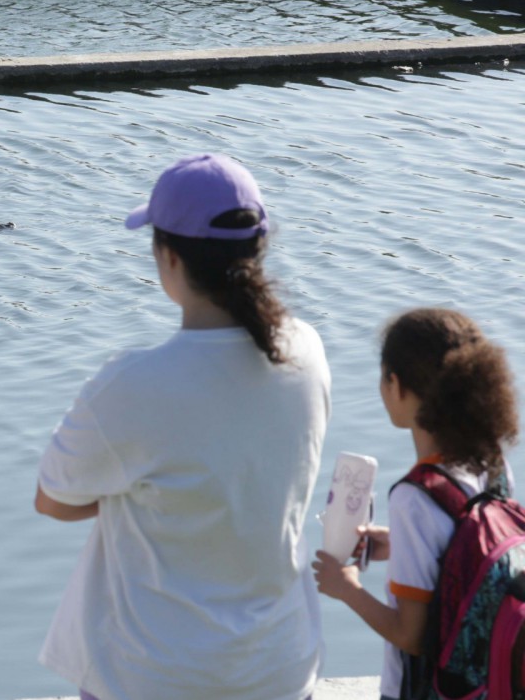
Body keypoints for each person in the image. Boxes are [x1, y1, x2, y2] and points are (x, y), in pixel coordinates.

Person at [35, 154, 331, 699]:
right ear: (258, 249)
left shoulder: (130, 385)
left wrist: (145, 495)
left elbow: (52, 500)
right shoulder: (307, 353)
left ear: (169, 257)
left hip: (152, 678)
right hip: (279, 670)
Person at [313, 308, 518, 700]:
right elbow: (471, 547)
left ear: (396, 384)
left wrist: (347, 588)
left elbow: (411, 636)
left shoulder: (414, 497)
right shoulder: (493, 464)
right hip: (484, 681)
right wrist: (397, 543)